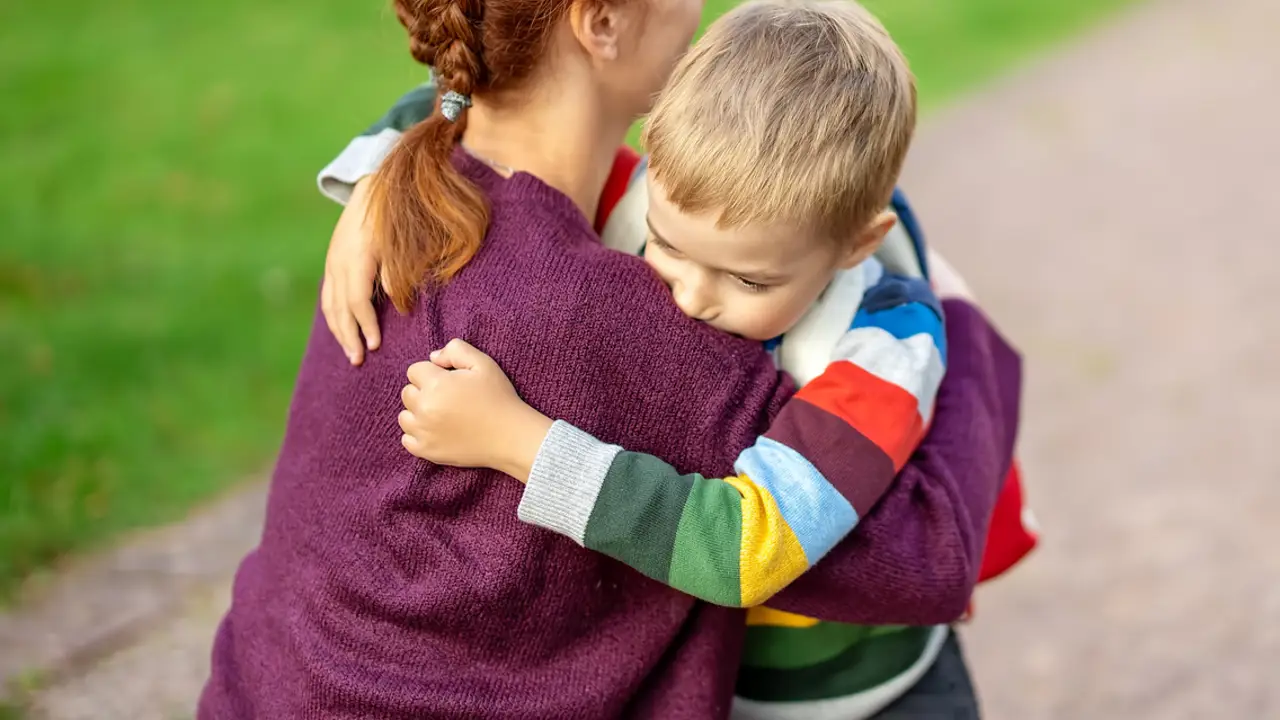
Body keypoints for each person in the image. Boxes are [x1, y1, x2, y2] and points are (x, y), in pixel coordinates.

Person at [199, 0, 1022, 717]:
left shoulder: (418, 193)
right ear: (600, 20)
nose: (693, 296)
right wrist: (951, 312)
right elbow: (929, 554)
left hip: (257, 682)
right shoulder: (608, 317)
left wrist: (386, 158)